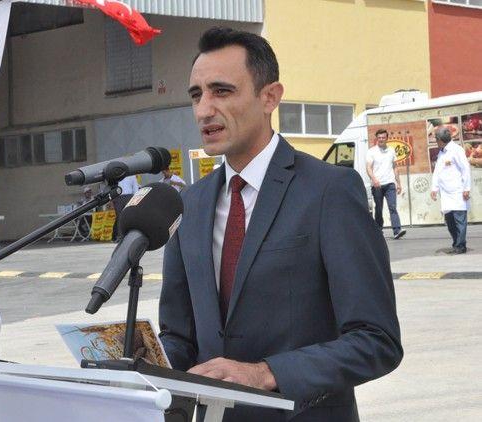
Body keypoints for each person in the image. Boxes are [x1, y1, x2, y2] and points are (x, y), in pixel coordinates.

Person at [159, 27, 402, 421]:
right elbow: (179, 336)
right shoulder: (189, 204)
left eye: (222, 91)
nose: (204, 110)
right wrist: (139, 364)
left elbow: (377, 341)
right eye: (196, 95)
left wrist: (266, 373)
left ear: (270, 97)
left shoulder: (329, 191)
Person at [431, 127, 471, 254]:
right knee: (450, 222)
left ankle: (460, 246)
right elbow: (437, 172)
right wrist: (434, 188)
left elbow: (465, 169)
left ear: (440, 140)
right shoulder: (441, 152)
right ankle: (456, 243)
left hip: (458, 192)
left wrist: (466, 188)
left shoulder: (456, 150)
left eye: (436, 139)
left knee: (460, 221)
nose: (435, 141)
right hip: (446, 194)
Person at [366, 129, 406, 239]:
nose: (381, 139)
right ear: (377, 138)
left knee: (392, 207)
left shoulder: (391, 151)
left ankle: (397, 231)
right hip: (377, 185)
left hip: (390, 184)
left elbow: (395, 167)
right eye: (379, 138)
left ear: (387, 138)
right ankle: (378, 231)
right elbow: (368, 168)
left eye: (383, 137)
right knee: (379, 208)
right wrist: (374, 179)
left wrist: (398, 183)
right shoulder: (371, 151)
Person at [112, 175, 140, 241]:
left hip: (129, 196)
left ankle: (129, 235)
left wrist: (136, 198)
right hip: (118, 197)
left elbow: (135, 186)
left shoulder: (132, 175)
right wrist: (112, 199)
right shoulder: (116, 175)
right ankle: (120, 236)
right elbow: (112, 187)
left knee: (129, 216)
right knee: (119, 217)